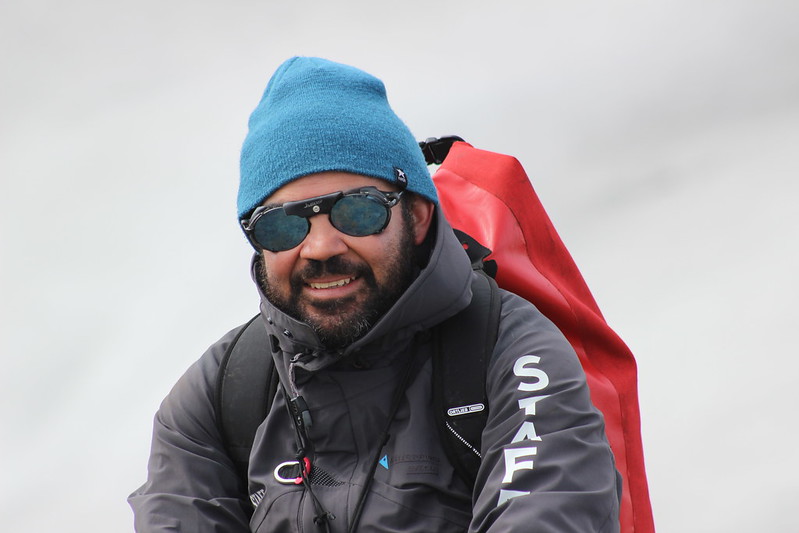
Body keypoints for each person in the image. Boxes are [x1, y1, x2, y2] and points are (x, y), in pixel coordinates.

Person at [129, 56, 621, 532]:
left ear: (420, 214)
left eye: (358, 211)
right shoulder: (219, 396)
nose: (320, 248)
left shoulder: (512, 356)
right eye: (282, 225)